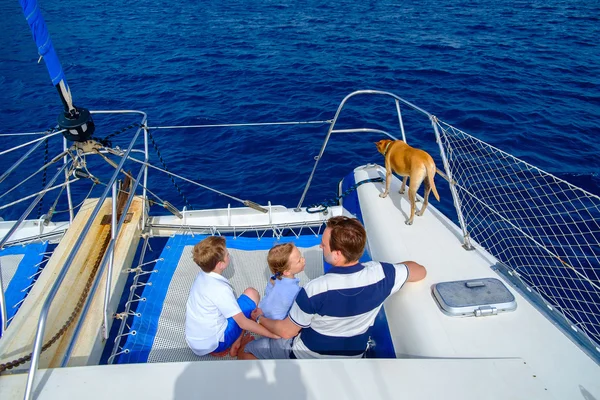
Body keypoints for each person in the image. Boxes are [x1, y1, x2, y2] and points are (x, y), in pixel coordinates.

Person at [239, 216, 426, 359]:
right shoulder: (384, 274)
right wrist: (390, 269)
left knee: (246, 350)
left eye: (324, 244)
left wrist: (260, 318)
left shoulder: (314, 290)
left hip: (307, 355)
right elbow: (420, 271)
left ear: (337, 255)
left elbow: (286, 331)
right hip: (353, 355)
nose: (320, 246)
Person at [185, 236, 279, 357]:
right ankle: (236, 341)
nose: (229, 256)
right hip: (216, 343)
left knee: (237, 310)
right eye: (227, 255)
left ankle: (234, 340)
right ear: (221, 264)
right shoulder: (220, 289)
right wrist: (273, 335)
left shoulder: (201, 276)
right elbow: (243, 323)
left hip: (195, 342)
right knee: (252, 293)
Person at [258, 243, 306, 320]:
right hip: (275, 322)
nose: (303, 259)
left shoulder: (274, 278)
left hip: (261, 311)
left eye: (301, 256)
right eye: (299, 260)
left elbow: (268, 292)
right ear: (286, 272)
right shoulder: (295, 290)